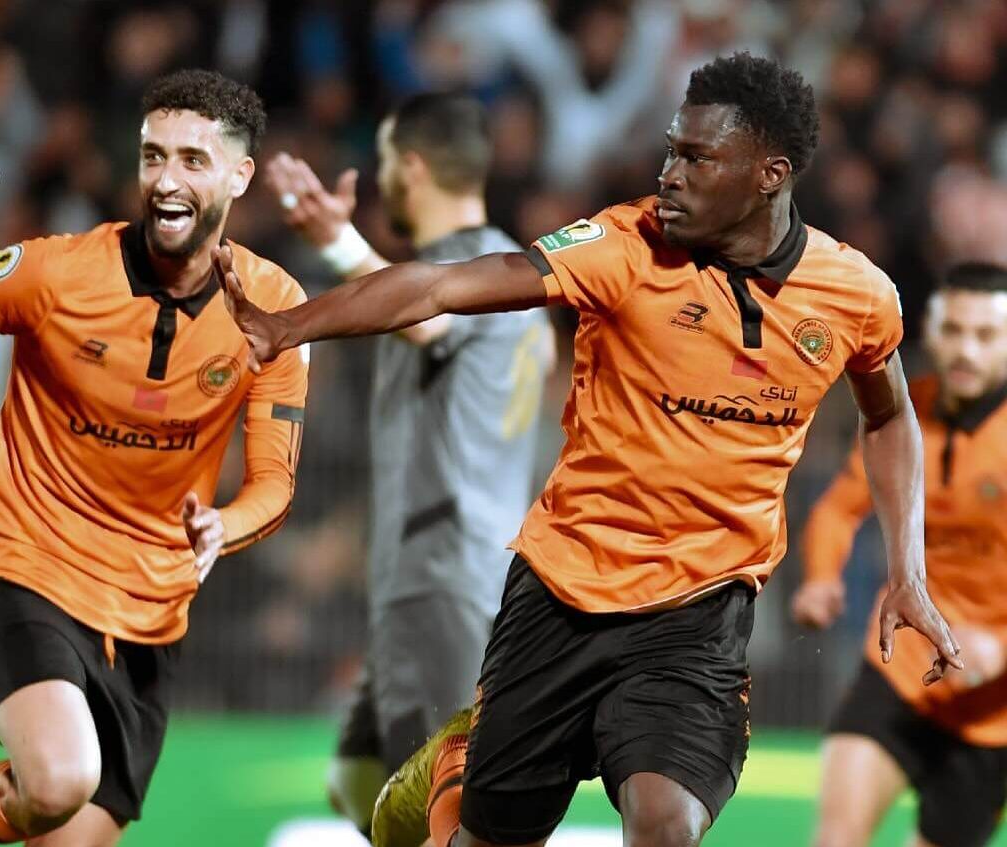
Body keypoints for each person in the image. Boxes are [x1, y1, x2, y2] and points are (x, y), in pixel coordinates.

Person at [214, 51, 961, 847]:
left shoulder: (855, 295)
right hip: (562, 591)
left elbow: (889, 417)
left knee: (666, 826)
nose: (670, 174)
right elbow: (441, 286)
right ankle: (456, 772)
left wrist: (906, 569)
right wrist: (289, 326)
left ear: (769, 174)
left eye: (697, 158)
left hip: (698, 613)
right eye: (671, 150)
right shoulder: (626, 245)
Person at [0, 69, 308, 847]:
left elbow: (275, 484)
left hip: (150, 616)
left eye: (192, 160)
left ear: (240, 176)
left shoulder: (273, 307)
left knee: (66, 830)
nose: (166, 180)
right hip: (29, 569)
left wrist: (223, 525)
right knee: (58, 777)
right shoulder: (54, 272)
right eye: (153, 156)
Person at [261, 92, 554, 834]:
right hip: (456, 565)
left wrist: (337, 243)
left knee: (439, 809)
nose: (380, 177)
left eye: (386, 160)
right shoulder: (514, 276)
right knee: (359, 782)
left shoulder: (464, 273)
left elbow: (426, 316)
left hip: (441, 570)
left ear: (413, 168)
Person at [794, 262, 1007, 847]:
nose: (966, 350)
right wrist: (820, 578)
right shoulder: (903, 412)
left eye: (985, 335)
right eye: (954, 330)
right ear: (930, 332)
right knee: (834, 840)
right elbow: (839, 508)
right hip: (901, 671)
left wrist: (1000, 646)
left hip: (993, 714)